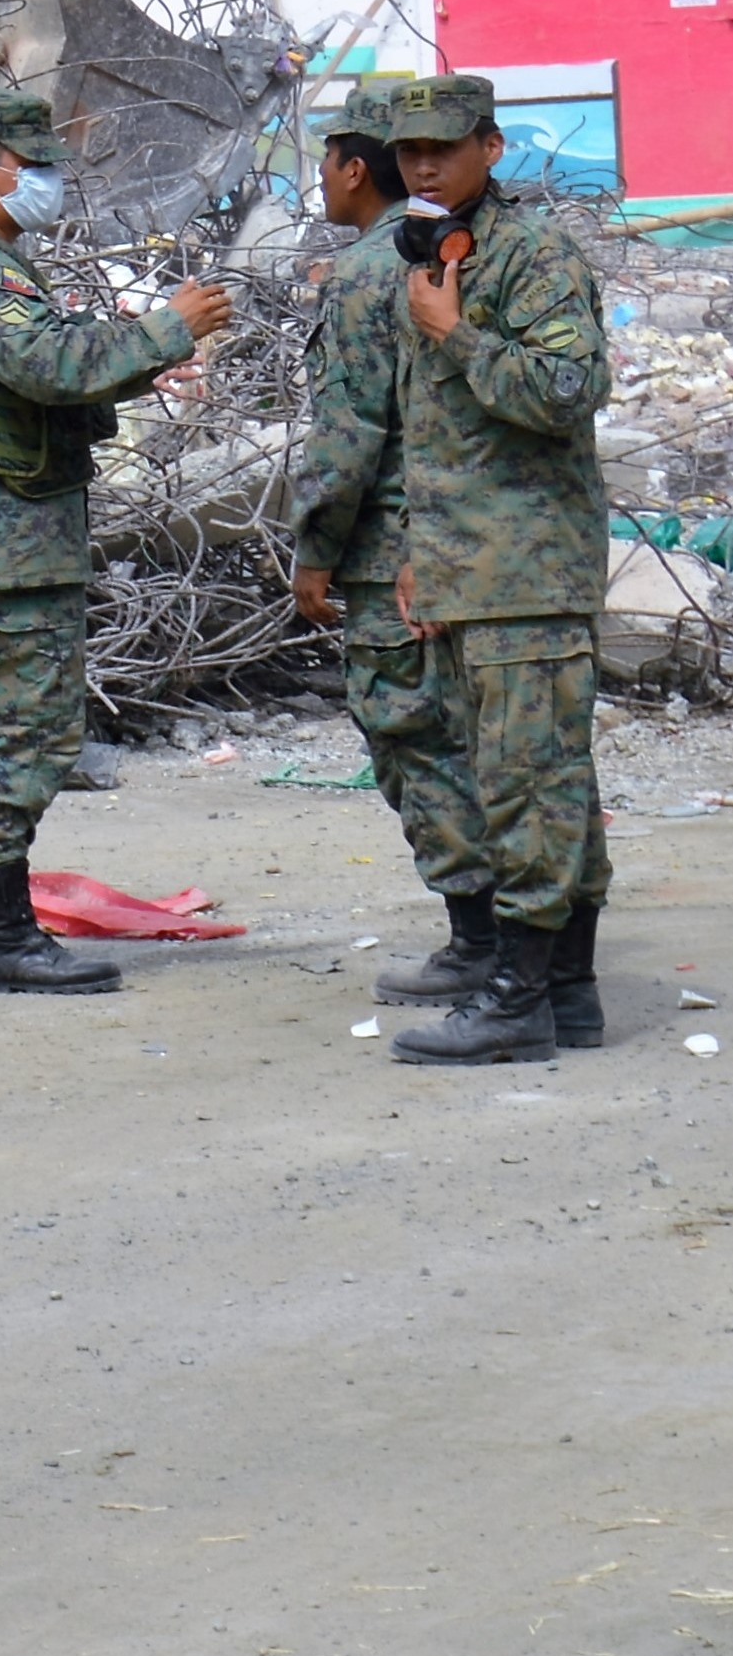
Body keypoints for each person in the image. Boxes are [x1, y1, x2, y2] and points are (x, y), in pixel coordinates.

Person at [0, 85, 232, 994]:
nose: (49, 184)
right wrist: (167, 330)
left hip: (8, 521)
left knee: (14, 718)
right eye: (33, 169)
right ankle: (3, 930)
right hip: (0, 528)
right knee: (25, 727)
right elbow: (48, 365)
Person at [375, 71, 614, 1063]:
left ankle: (518, 1000)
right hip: (469, 565)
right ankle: (567, 991)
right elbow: (428, 434)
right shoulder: (432, 252)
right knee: (533, 776)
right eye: (409, 151)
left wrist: (457, 335)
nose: (424, 164)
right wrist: (415, 551)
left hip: (528, 565)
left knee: (526, 782)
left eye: (445, 146)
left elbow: (567, 388)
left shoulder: (531, 253)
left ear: (491, 147)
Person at [287, 85, 497, 1010]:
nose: (320, 183)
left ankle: (478, 938)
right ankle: (513, 933)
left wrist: (314, 548)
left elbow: (348, 431)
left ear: (351, 168)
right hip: (466, 537)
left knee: (413, 740)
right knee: (475, 735)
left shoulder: (369, 270)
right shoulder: (438, 251)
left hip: (391, 556)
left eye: (325, 163)